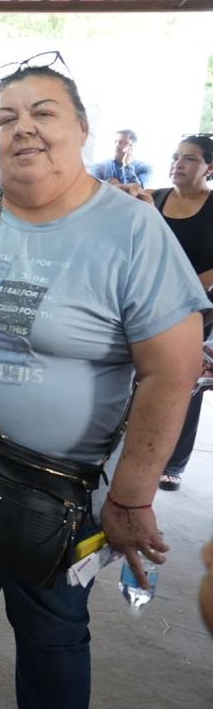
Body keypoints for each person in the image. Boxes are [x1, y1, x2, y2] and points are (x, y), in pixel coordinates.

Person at [0, 61, 206, 709]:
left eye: (43, 113)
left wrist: (132, 494)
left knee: (51, 638)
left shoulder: (131, 229)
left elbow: (172, 370)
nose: (23, 128)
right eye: (7, 117)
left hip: (56, 501)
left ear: (83, 128)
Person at [128, 134, 213, 492]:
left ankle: (174, 462)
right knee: (138, 374)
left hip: (197, 308)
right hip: (148, 302)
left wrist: (185, 289)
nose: (179, 163)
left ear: (209, 167)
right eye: (177, 156)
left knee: (184, 380)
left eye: (190, 158)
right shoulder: (155, 199)